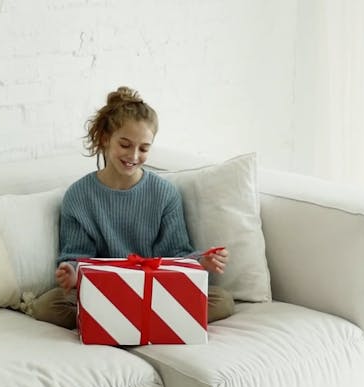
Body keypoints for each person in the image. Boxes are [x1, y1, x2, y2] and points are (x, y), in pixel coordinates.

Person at [28, 86, 234, 329]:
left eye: (144, 148)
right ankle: (144, 322)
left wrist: (201, 261)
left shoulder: (164, 194)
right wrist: (72, 274)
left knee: (223, 301)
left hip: (156, 290)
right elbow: (76, 256)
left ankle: (118, 324)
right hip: (103, 292)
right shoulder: (79, 196)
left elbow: (176, 254)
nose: (133, 155)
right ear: (106, 139)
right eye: (125, 145)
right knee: (47, 306)